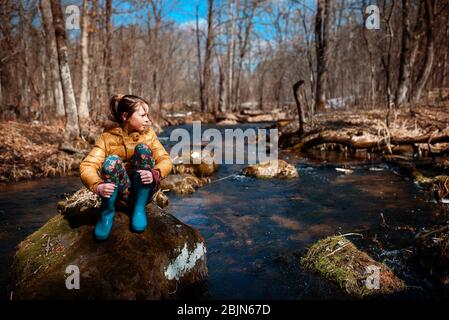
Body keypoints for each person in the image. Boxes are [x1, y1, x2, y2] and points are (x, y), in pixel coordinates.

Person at [80, 94, 173, 240]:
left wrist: (155, 173)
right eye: (143, 115)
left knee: (143, 149)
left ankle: (139, 209)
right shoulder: (107, 138)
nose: (148, 119)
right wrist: (97, 186)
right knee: (111, 161)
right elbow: (87, 166)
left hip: (144, 190)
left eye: (147, 115)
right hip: (119, 194)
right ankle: (107, 214)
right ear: (125, 116)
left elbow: (166, 160)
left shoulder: (149, 135)